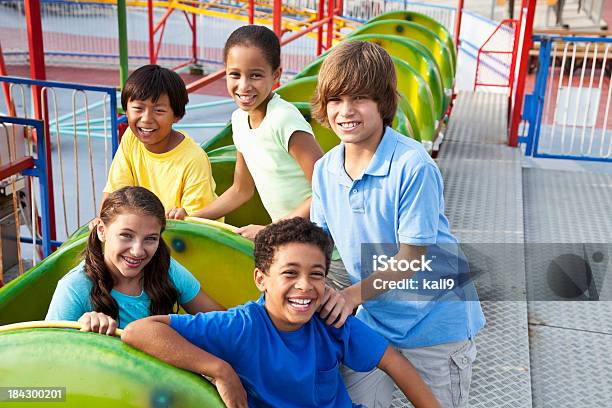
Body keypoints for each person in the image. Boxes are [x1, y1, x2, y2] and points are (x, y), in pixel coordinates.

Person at [309, 41, 486, 408]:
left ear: (383, 103)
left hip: (436, 324)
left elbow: (413, 254)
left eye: (359, 98)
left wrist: (350, 296)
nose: (346, 111)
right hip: (377, 318)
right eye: (335, 100)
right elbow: (319, 245)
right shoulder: (326, 169)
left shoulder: (412, 166)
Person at [121, 218, 440, 408]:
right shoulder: (241, 326)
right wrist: (219, 369)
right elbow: (140, 330)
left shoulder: (330, 322)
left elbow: (393, 361)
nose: (305, 286)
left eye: (316, 274)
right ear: (261, 279)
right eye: (290, 273)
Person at [166, 25, 323, 240]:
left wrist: (272, 230)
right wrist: (193, 218)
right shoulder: (239, 120)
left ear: (276, 74)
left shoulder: (284, 119)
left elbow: (326, 190)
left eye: (255, 75)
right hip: (291, 235)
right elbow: (241, 190)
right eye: (235, 75)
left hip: (323, 239)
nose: (244, 86)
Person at [46, 186, 223, 334]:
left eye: (150, 239)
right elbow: (48, 355)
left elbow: (222, 322)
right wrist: (80, 333)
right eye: (126, 236)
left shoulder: (166, 269)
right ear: (102, 230)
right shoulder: (74, 287)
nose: (137, 251)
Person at [103, 64, 217, 217]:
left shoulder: (193, 160)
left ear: (176, 115)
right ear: (126, 109)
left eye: (159, 111)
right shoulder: (131, 137)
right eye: (138, 108)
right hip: (143, 231)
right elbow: (115, 192)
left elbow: (197, 227)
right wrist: (103, 221)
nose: (146, 119)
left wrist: (187, 216)